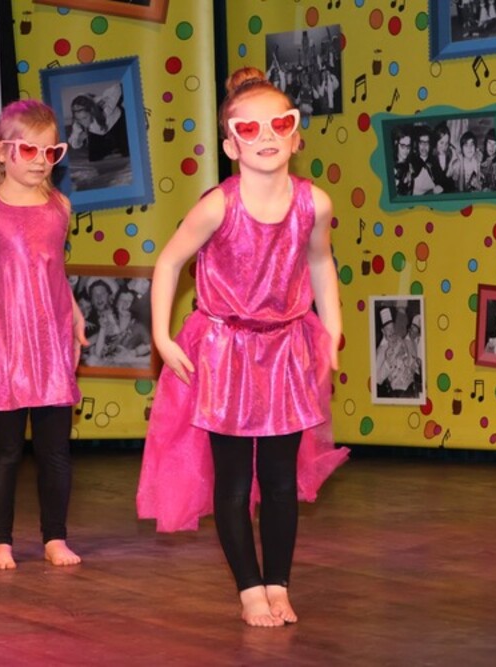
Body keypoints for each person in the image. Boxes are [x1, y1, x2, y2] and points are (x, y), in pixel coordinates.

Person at [136, 67, 348, 628]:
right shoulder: (218, 206)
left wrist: (332, 329)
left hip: (285, 353)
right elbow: (169, 262)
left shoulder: (314, 204)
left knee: (279, 480)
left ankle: (278, 584)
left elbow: (320, 262)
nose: (267, 136)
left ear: (296, 135)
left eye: (280, 123)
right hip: (225, 353)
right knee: (233, 482)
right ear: (231, 145)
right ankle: (250, 590)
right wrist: (161, 336)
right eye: (249, 129)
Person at [0, 99, 87, 571]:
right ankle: (0, 541)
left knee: (55, 450)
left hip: (51, 342)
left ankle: (55, 536)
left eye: (51, 152)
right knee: (5, 450)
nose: (40, 161)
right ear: (2, 151)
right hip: (8, 343)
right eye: (29, 150)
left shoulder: (60, 207)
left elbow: (54, 270)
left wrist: (74, 314)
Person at [68, 84, 130, 162]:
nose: (83, 122)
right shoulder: (78, 124)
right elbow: (73, 141)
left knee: (127, 151)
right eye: (79, 119)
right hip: (99, 131)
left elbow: (118, 88)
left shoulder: (105, 108)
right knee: (94, 158)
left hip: (117, 123)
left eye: (85, 118)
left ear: (91, 112)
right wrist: (79, 139)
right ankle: (111, 147)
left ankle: (116, 146)